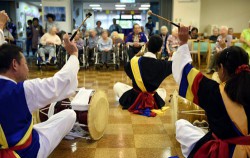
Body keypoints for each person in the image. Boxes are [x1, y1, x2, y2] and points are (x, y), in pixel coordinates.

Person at [0, 11, 80, 157]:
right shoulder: (22, 90)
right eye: (24, 63)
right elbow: (61, 82)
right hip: (27, 152)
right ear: (14, 65)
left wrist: (0, 26)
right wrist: (73, 54)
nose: (27, 67)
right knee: (70, 114)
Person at [173, 25, 250, 158]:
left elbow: (183, 72)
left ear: (222, 68)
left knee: (181, 125)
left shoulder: (213, 91)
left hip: (225, 152)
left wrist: (183, 43)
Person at [113, 35, 172, 117]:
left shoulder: (134, 61)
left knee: (117, 85)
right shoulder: (163, 65)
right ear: (159, 49)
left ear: (147, 45)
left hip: (134, 98)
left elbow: (127, 67)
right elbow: (175, 64)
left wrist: (136, 55)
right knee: (162, 91)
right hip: (153, 99)